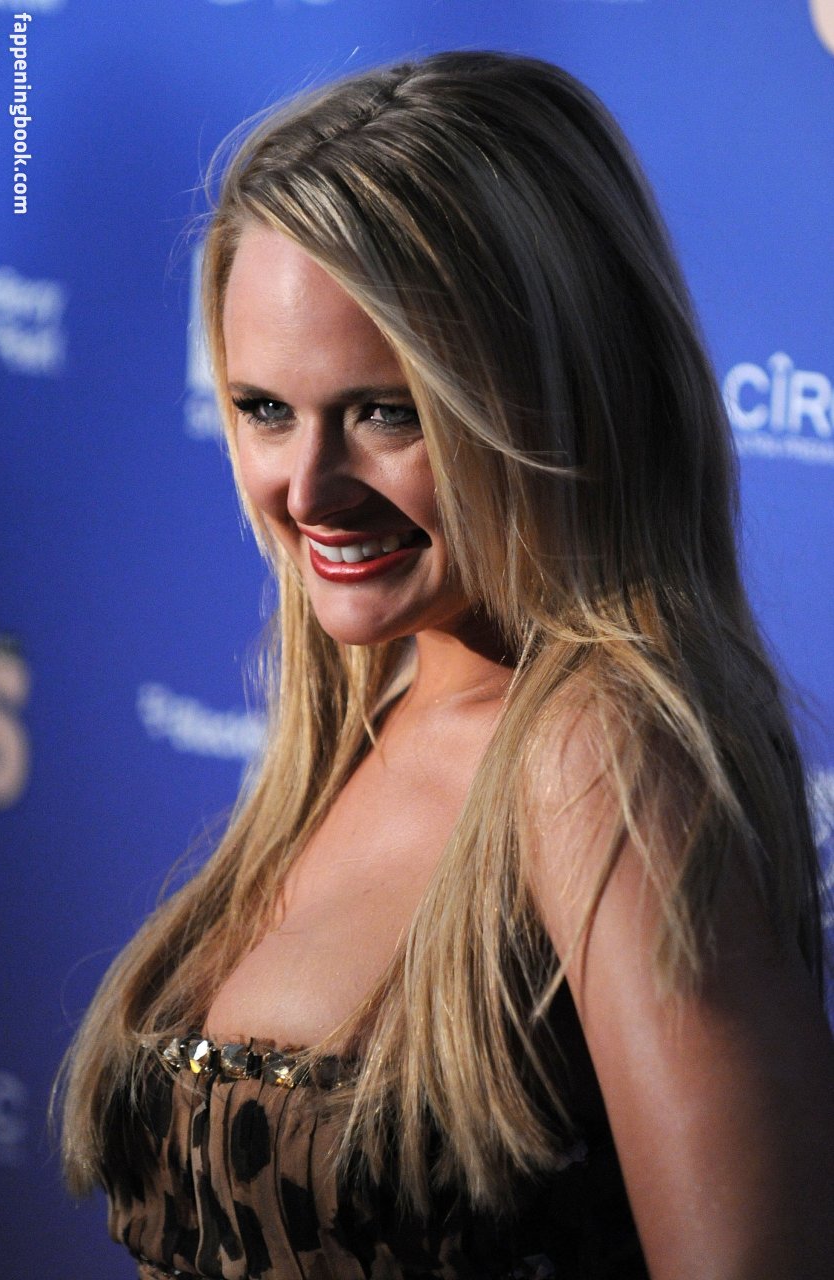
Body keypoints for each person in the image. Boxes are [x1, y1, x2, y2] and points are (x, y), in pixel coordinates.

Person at [57, 50, 834, 1280]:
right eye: (264, 409)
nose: (306, 490)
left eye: (387, 411)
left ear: (561, 391)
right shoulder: (361, 722)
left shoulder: (600, 759)